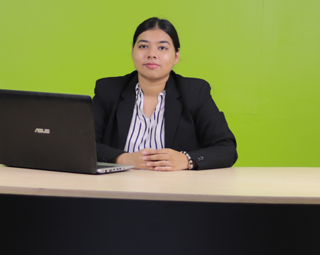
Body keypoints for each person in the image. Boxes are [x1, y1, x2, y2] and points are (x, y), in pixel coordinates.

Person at [92, 17, 237, 170]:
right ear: (133, 51)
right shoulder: (108, 90)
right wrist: (123, 158)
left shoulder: (195, 92)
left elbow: (226, 148)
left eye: (162, 48)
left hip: (176, 184)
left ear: (176, 56)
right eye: (143, 46)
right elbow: (83, 145)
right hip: (118, 184)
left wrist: (186, 160)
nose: (151, 54)